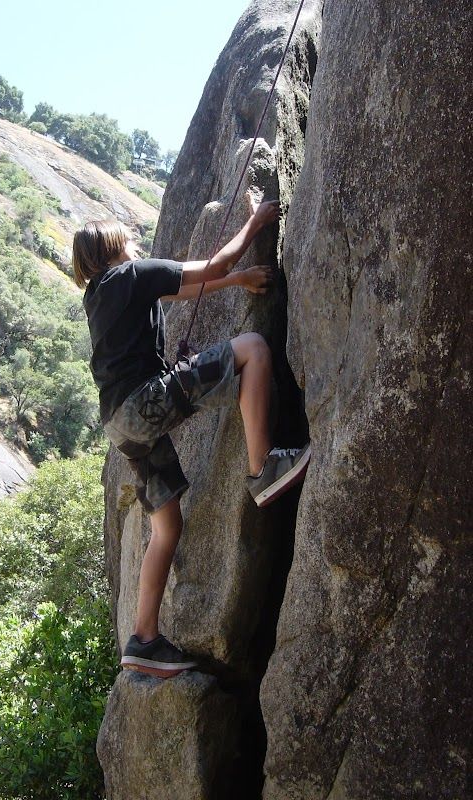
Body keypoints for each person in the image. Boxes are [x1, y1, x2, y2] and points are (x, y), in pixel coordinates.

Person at [73, 197, 310, 678]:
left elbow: (187, 290)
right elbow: (215, 263)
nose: (134, 243)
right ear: (114, 248)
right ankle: (263, 468)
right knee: (253, 350)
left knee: (167, 528)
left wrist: (237, 282)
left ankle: (143, 639)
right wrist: (256, 223)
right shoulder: (133, 274)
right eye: (126, 239)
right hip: (144, 403)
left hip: (122, 425)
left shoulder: (100, 296)